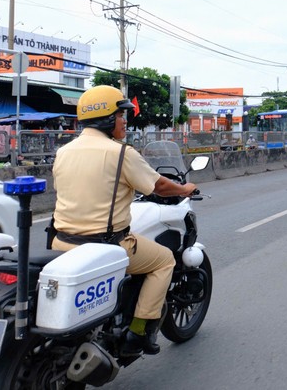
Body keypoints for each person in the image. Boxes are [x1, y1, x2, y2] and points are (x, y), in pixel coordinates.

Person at [52, 85, 198, 356]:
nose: (125, 121)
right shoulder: (121, 153)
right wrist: (184, 189)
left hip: (62, 244)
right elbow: (159, 186)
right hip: (106, 246)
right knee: (164, 260)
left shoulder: (64, 151)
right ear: (107, 118)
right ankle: (139, 330)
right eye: (121, 116)